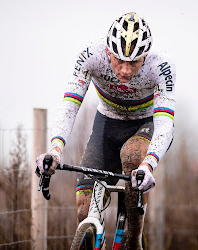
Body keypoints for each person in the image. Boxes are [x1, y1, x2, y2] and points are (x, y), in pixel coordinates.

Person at [36, 12, 175, 249]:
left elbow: (165, 122)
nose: (125, 70)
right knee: (83, 207)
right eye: (118, 60)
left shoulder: (160, 66)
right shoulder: (92, 56)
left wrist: (148, 165)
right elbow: (70, 105)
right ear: (108, 52)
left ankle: (134, 240)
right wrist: (55, 150)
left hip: (145, 124)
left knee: (132, 157)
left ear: (146, 57)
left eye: (134, 62)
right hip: (107, 124)